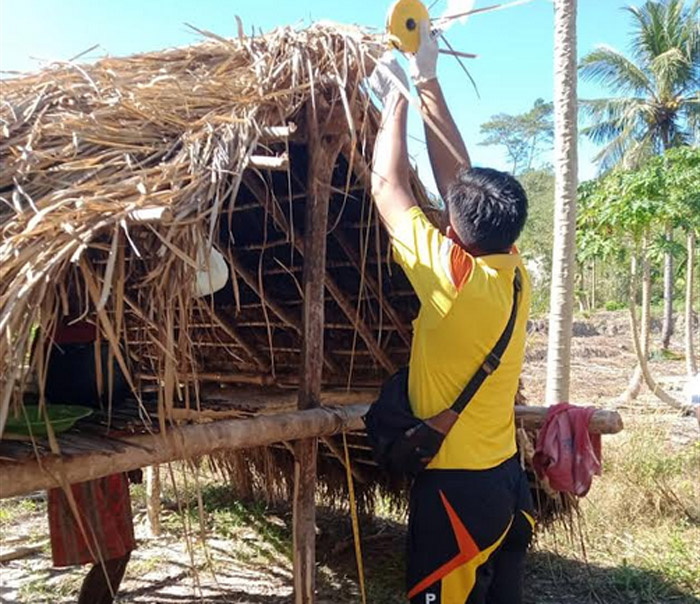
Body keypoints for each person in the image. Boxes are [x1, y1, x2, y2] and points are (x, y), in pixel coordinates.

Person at [368, 22, 534, 604]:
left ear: (459, 230)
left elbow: (389, 187)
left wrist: (394, 100)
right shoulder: (512, 273)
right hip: (505, 480)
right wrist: (428, 78)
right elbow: (457, 185)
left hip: (456, 494)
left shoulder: (455, 280)